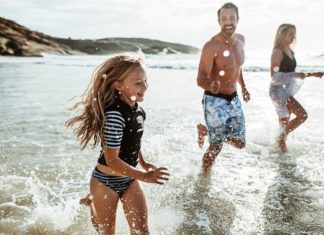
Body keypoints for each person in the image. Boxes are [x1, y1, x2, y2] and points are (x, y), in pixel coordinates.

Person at [66, 54, 169, 234]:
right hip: (105, 181)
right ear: (118, 85)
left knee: (142, 232)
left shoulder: (139, 111)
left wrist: (143, 163)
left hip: (128, 178)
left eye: (145, 81)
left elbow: (133, 142)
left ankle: (93, 203)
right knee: (106, 232)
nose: (145, 86)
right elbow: (112, 160)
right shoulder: (115, 116)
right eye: (138, 83)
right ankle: (92, 203)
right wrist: (143, 176)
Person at [196, 2, 250, 176]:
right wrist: (210, 84)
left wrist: (244, 87)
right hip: (214, 99)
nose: (228, 22)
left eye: (232, 18)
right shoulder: (211, 46)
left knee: (240, 143)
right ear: (219, 21)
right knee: (216, 146)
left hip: (233, 98)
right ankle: (204, 178)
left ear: (238, 20)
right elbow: (200, 78)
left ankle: (207, 130)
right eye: (224, 18)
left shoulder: (241, 40)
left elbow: (237, 67)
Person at [269, 23, 323, 152]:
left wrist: (311, 74)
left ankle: (280, 153)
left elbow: (291, 73)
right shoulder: (277, 52)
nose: (293, 37)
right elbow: (274, 76)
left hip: (285, 90)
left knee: (284, 123)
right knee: (302, 115)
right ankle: (281, 139)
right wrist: (302, 74)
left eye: (294, 34)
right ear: (282, 35)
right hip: (278, 91)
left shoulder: (290, 51)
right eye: (290, 34)